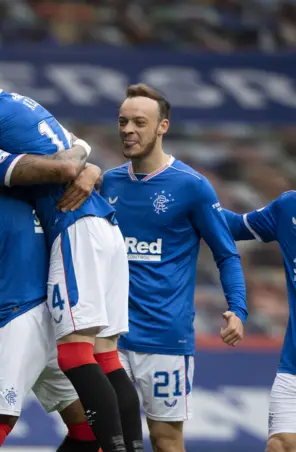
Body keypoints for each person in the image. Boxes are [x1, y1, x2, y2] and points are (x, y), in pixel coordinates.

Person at [0, 57, 142, 452]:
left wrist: (88, 167)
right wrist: (84, 167)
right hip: (17, 309)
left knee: (81, 425)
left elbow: (61, 152)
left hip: (44, 309)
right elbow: (57, 166)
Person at [99, 83, 247, 452]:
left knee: (165, 440)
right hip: (109, 335)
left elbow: (226, 254)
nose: (128, 130)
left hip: (164, 338)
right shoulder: (108, 182)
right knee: (101, 436)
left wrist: (238, 310)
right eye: (122, 121)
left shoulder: (192, 187)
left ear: (162, 126)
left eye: (138, 122)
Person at [222, 192, 296, 452]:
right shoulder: (289, 207)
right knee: (280, 445)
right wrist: (186, 198)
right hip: (293, 366)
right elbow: (232, 225)